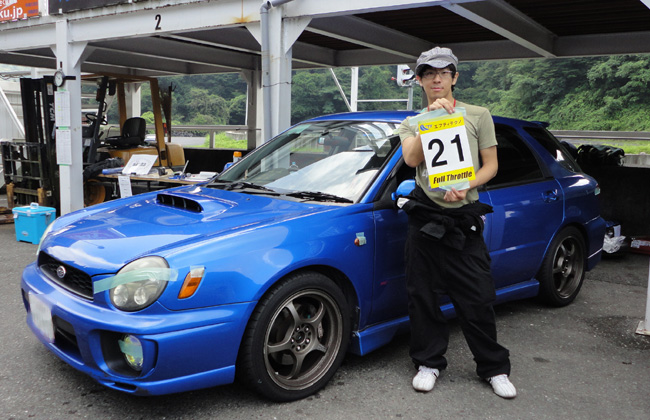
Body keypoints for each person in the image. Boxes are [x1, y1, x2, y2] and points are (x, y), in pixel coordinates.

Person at [397, 46, 516, 399]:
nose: (436, 79)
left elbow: (491, 165)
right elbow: (411, 159)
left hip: (464, 219)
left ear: (454, 77)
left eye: (444, 72)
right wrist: (431, 120)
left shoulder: (478, 115)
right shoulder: (411, 122)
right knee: (422, 296)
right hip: (425, 220)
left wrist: (468, 185)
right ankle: (428, 362)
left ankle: (494, 368)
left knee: (477, 297)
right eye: (428, 73)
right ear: (419, 80)